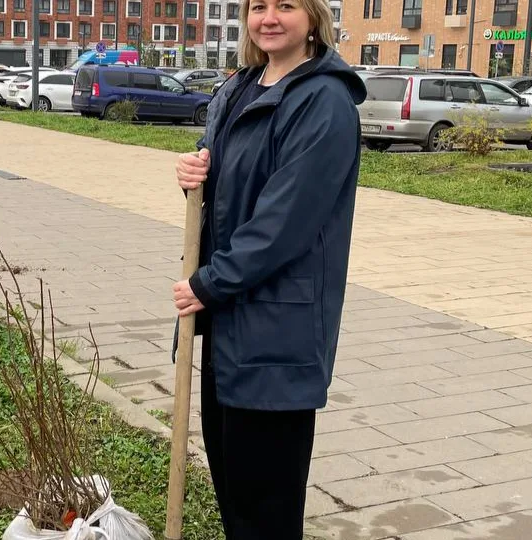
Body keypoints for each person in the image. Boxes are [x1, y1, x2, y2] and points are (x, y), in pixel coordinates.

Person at [171, 0, 365, 538]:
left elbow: (285, 221)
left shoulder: (322, 101)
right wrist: (193, 172)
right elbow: (223, 180)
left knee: (266, 506)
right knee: (235, 491)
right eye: (259, 6)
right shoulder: (240, 87)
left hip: (279, 329)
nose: (269, 17)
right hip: (230, 323)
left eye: (287, 5)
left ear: (313, 18)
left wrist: (209, 284)